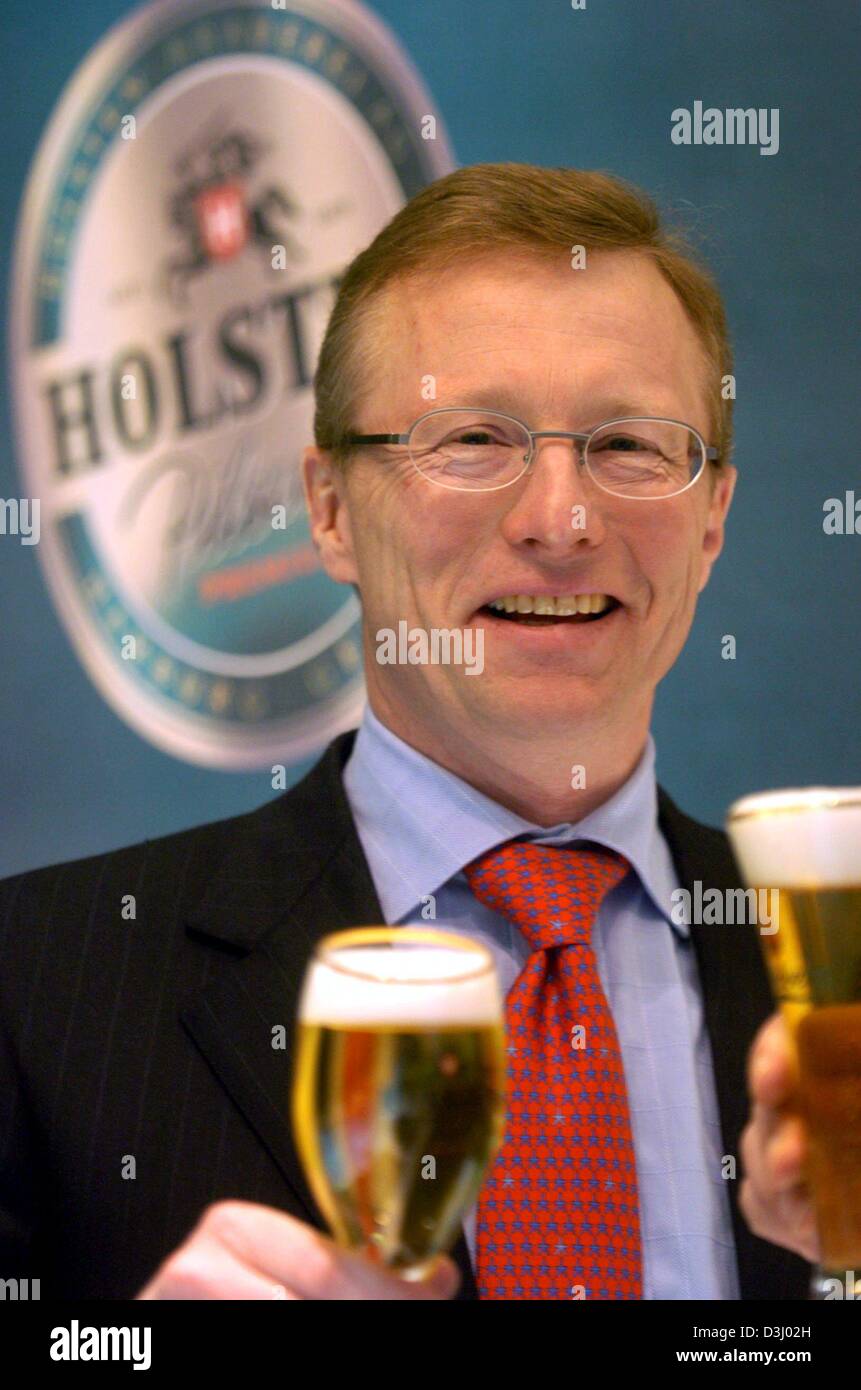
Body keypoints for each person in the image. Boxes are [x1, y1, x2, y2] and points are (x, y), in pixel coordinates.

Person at [0, 164, 819, 1300]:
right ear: (331, 509)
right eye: (471, 438)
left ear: (714, 516)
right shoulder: (35, 984)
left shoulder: (835, 983)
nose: (560, 521)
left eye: (629, 445)